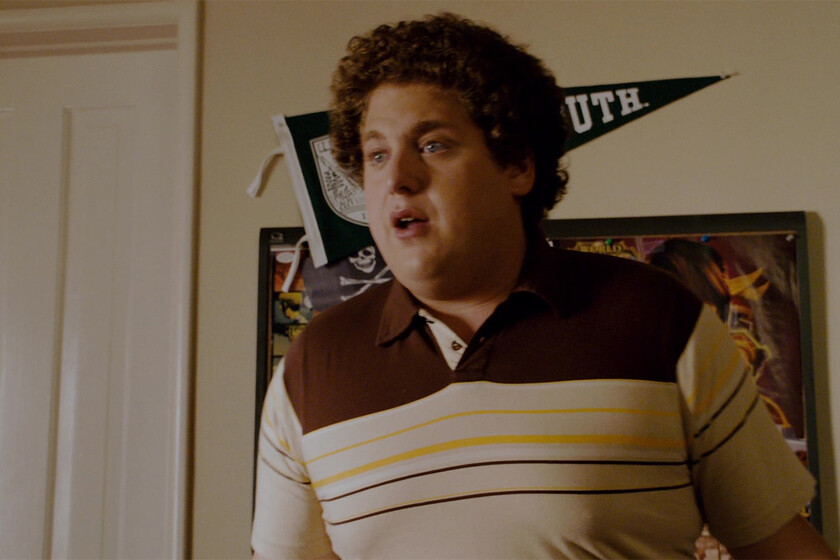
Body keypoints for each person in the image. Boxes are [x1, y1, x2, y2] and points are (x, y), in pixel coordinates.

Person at [252, 13, 837, 559]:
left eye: (433, 145)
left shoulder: (661, 321)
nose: (398, 179)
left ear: (517, 165)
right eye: (377, 155)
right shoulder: (311, 368)